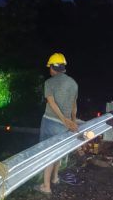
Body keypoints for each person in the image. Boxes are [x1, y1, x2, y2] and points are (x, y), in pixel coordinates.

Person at [35, 53, 78, 195]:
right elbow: (74, 105)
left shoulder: (49, 82)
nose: (49, 70)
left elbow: (51, 103)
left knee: (47, 153)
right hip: (64, 126)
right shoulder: (73, 83)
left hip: (50, 122)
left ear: (53, 68)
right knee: (58, 151)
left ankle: (46, 187)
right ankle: (55, 178)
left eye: (50, 67)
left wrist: (63, 119)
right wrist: (72, 121)